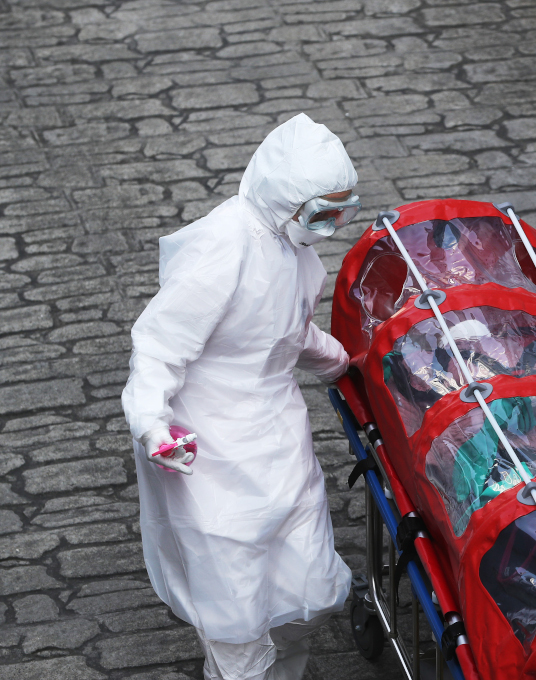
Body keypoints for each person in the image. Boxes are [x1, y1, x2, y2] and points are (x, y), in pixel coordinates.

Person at [122, 113, 363, 680]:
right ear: (285, 199)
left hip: (278, 432)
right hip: (208, 443)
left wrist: (342, 362)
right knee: (233, 594)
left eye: (340, 213)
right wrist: (153, 423)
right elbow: (159, 345)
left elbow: (285, 330)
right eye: (321, 213)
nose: (330, 226)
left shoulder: (295, 252)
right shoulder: (222, 248)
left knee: (308, 582)